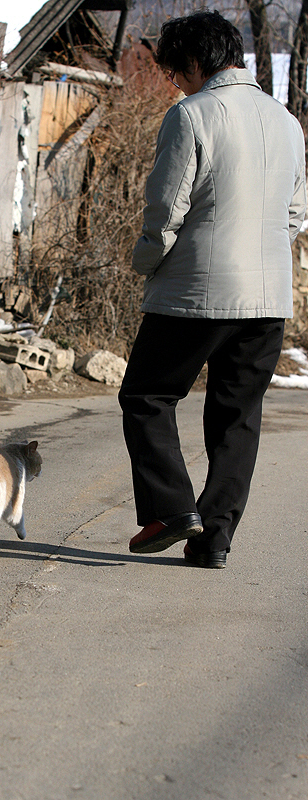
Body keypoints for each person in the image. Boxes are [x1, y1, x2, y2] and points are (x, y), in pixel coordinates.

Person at [119, 11, 306, 568]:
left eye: (175, 72)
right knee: (237, 416)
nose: (175, 83)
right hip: (269, 297)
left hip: (196, 293)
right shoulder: (287, 122)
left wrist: (147, 261)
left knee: (147, 395)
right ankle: (214, 538)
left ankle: (173, 509)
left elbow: (165, 208)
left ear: (196, 62)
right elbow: (296, 212)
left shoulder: (191, 116)